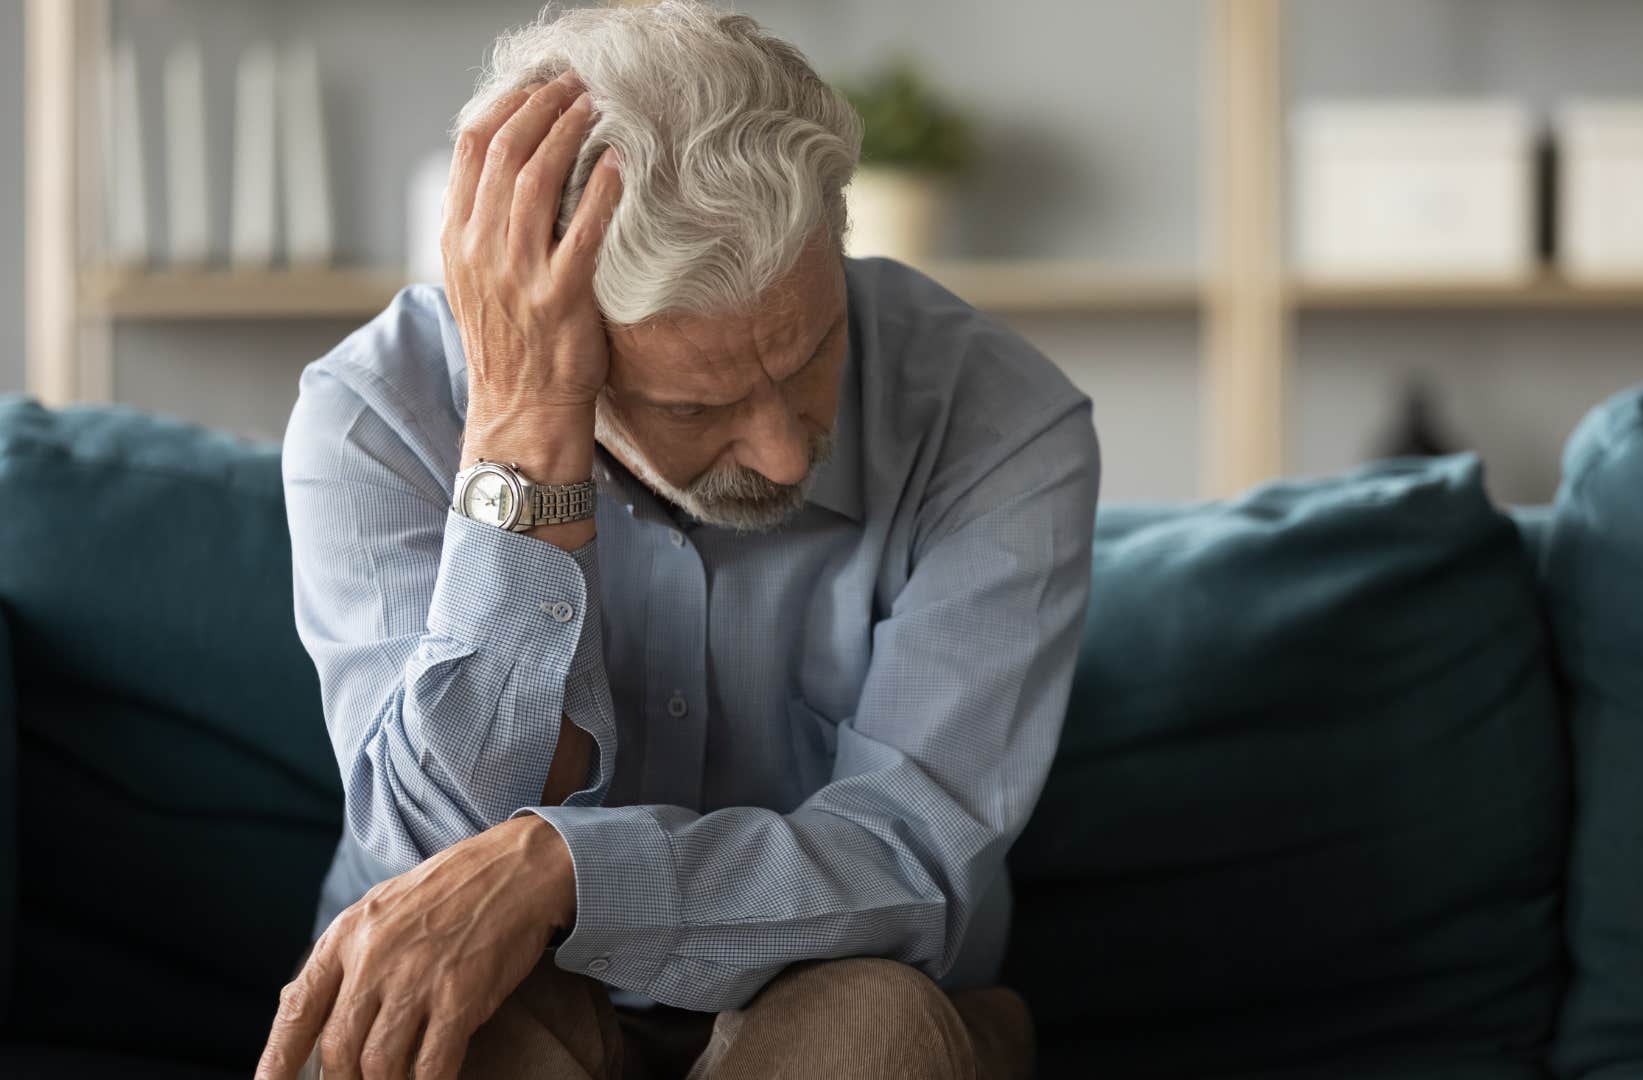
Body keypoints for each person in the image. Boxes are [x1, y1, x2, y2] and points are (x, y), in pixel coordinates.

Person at [255, 3, 1099, 1078]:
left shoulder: (1001, 417)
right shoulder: (376, 417)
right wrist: (522, 438)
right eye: (697, 411)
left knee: (875, 1031)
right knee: (447, 1040)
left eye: (809, 355)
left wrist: (571, 871)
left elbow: (917, 861)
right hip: (500, 1000)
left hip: (845, 992)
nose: (788, 455)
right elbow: (432, 861)